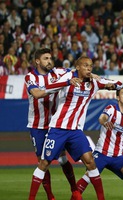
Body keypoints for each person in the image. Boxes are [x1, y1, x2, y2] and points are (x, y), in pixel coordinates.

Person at [28, 55, 123, 200]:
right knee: (44, 163)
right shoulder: (67, 77)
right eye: (85, 65)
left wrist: (110, 84)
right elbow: (47, 88)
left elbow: (119, 83)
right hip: (58, 128)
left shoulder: (94, 83)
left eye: (90, 66)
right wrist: (66, 82)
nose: (88, 68)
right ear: (77, 67)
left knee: (90, 161)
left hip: (75, 131)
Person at [24, 48, 80, 200]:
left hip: (55, 125)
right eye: (45, 58)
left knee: (63, 159)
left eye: (50, 58)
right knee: (43, 163)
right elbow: (37, 93)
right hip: (37, 126)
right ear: (37, 61)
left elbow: (78, 70)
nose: (49, 61)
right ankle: (50, 195)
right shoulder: (30, 77)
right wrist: (65, 83)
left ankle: (75, 191)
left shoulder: (58, 72)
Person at [76, 86, 123, 200]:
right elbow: (102, 118)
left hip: (117, 156)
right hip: (102, 153)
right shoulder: (111, 109)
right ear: (118, 97)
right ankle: (74, 196)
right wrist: (104, 122)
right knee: (88, 177)